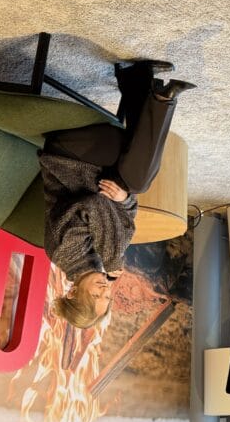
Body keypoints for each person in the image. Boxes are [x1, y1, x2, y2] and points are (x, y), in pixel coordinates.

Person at [41, 59, 195, 328]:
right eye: (107, 296)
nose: (104, 288)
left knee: (138, 178)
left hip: (68, 157)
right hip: (96, 170)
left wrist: (114, 257)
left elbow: (94, 205)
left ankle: (159, 96)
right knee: (135, 178)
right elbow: (127, 217)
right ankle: (138, 81)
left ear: (73, 292)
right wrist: (123, 199)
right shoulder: (97, 262)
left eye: (95, 295)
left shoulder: (63, 251)